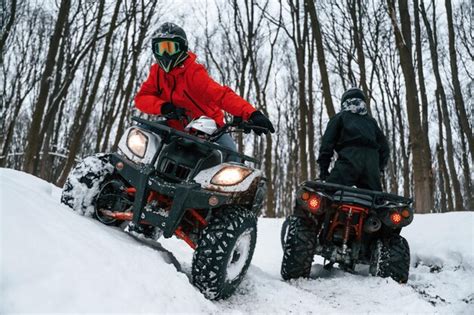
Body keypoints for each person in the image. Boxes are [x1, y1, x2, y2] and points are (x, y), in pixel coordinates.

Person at [134, 22, 275, 152]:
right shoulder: (157, 72)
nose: (164, 54)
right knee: (141, 133)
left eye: (170, 48)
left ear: (182, 48)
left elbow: (221, 95)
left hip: (208, 129)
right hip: (175, 126)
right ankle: (124, 173)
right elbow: (142, 98)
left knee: (231, 153)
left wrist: (252, 113)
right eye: (160, 48)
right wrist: (164, 107)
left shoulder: (193, 72)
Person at [317, 87, 389, 191]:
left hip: (349, 161)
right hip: (371, 165)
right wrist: (378, 169)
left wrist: (323, 172)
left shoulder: (339, 118)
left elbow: (326, 145)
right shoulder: (371, 122)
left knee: (327, 195)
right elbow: (385, 148)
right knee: (375, 202)